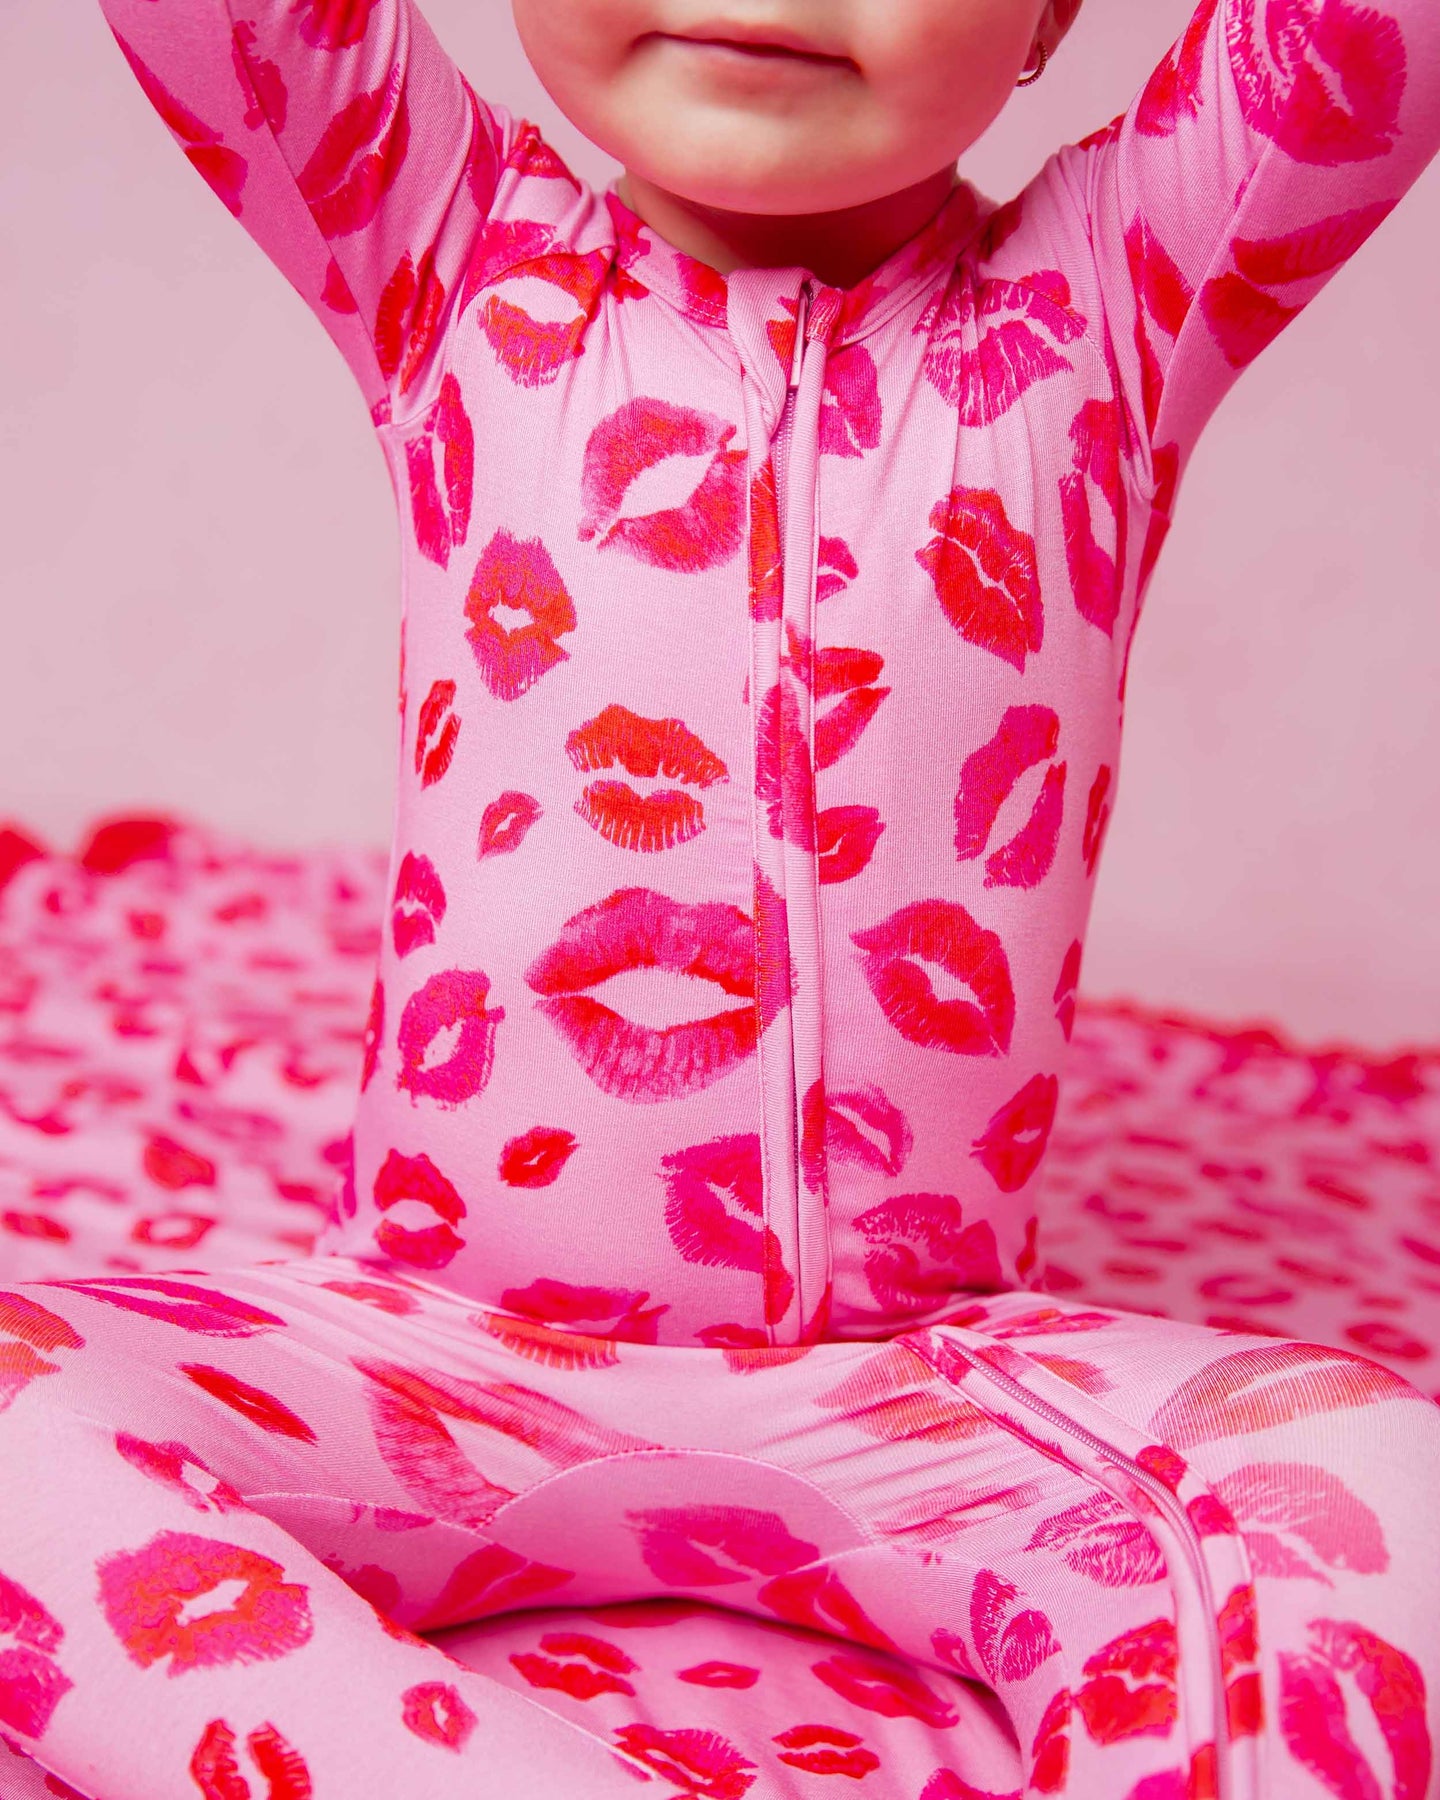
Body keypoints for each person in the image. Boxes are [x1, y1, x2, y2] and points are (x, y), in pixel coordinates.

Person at [2, 1, 1439, 1795]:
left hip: (937, 1397)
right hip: (435, 1353)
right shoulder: (447, 252)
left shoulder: (1111, 306)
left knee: (1373, 1469)